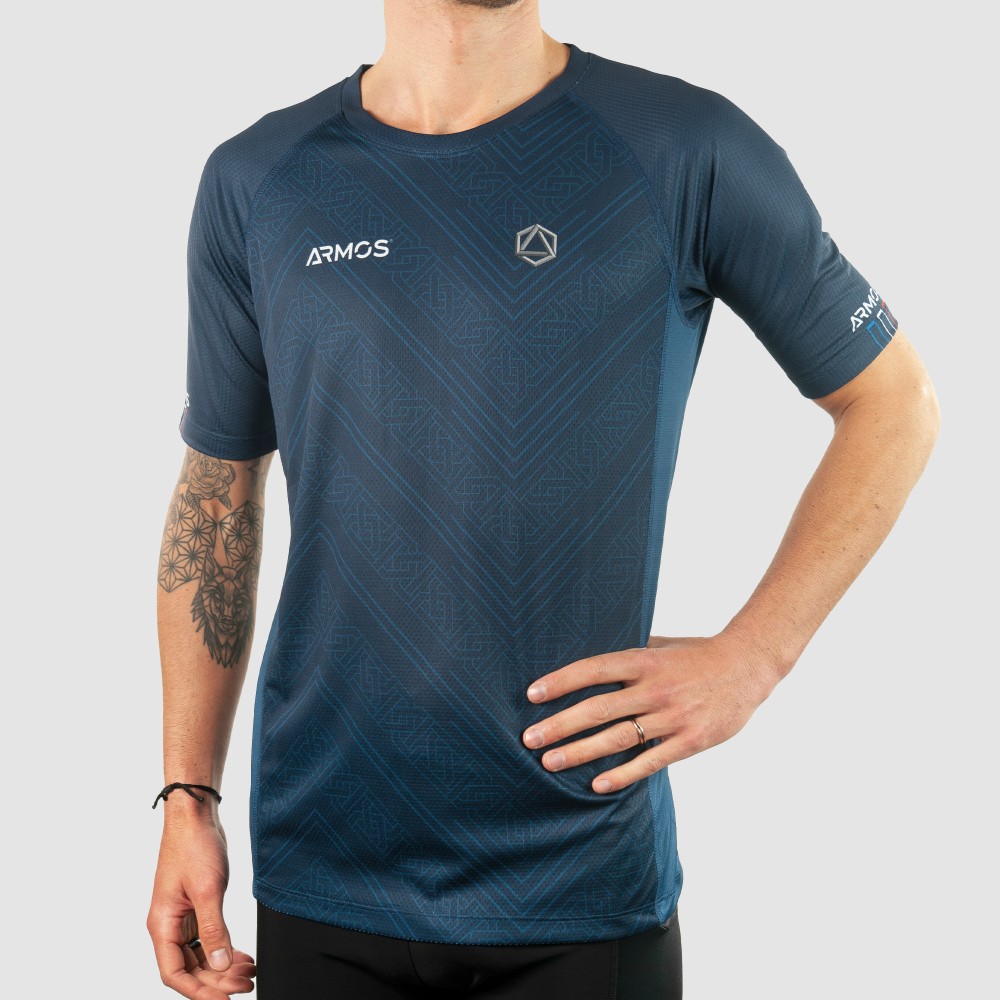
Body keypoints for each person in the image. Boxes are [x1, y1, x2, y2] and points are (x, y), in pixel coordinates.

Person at [146, 1, 940, 997]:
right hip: (326, 861)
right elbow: (217, 492)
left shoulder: (681, 149)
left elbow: (893, 401)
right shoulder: (260, 178)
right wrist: (188, 794)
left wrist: (756, 656)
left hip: (577, 873)